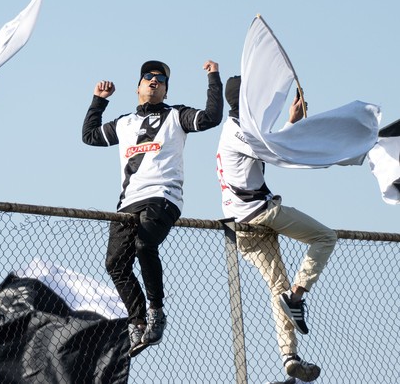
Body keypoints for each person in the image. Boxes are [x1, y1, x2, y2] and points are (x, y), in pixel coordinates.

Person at [82, 59, 223, 357]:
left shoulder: (176, 116)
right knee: (115, 264)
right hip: (127, 203)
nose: (154, 81)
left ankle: (156, 311)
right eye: (148, 76)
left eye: (161, 79)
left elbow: (211, 117)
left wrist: (213, 78)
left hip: (163, 197)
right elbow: (90, 136)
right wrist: (98, 101)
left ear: (166, 91)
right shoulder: (125, 123)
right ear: (138, 86)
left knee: (145, 245)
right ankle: (137, 322)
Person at [216, 75, 337, 382]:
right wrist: (293, 124)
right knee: (325, 236)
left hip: (241, 222)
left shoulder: (239, 128)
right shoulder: (238, 130)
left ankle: (289, 357)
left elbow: (269, 147)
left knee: (276, 287)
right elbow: (276, 152)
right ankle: (297, 296)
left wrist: (291, 122)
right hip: (259, 214)